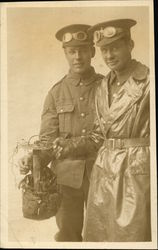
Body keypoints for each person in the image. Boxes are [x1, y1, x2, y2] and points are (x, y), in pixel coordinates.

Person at [55, 19, 151, 242]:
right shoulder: (103, 86)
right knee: (101, 236)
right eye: (105, 49)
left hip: (135, 171)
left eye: (115, 47)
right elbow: (98, 136)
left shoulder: (148, 82)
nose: (109, 55)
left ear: (131, 45)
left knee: (134, 235)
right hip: (104, 172)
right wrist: (67, 145)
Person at [18, 24, 103, 242]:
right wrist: (33, 159)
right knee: (68, 237)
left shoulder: (107, 86)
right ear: (65, 53)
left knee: (104, 236)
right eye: (72, 51)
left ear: (92, 52)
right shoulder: (55, 93)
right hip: (66, 180)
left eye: (83, 50)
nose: (78, 57)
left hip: (103, 175)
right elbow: (47, 140)